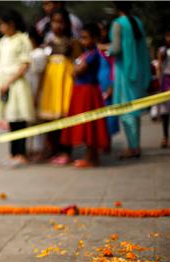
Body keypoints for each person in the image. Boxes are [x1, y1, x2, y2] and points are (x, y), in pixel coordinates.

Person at [0, 10, 35, 167]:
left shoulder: (22, 39)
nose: (1, 27)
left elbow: (25, 64)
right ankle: (13, 153)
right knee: (10, 120)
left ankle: (21, 153)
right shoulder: (2, 42)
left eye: (3, 24)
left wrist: (10, 81)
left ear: (11, 24)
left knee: (19, 120)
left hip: (16, 83)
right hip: (2, 82)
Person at [61, 23, 110, 168]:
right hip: (82, 91)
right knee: (87, 125)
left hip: (88, 92)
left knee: (89, 126)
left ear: (94, 38)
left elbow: (77, 71)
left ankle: (90, 158)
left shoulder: (93, 54)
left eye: (86, 38)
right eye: (81, 38)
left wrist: (74, 69)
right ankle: (91, 157)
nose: (83, 41)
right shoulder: (86, 54)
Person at [38, 8, 81, 165]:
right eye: (55, 22)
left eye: (61, 22)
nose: (58, 25)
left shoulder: (72, 41)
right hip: (51, 83)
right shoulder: (47, 43)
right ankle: (54, 150)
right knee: (51, 120)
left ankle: (66, 151)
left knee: (65, 118)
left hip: (66, 82)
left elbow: (78, 61)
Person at [110, 1, 150, 159]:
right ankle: (136, 146)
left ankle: (133, 148)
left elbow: (117, 49)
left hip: (124, 72)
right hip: (139, 71)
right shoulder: (137, 22)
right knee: (135, 110)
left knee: (127, 111)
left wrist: (107, 49)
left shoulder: (118, 24)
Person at [25, 27, 48, 160]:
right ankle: (29, 150)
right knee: (29, 121)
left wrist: (37, 94)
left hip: (36, 90)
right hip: (28, 90)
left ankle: (39, 150)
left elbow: (41, 75)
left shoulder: (39, 54)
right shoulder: (28, 53)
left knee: (38, 122)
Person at [96, 21, 120, 138]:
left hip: (108, 84)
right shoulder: (91, 49)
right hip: (96, 85)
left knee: (109, 115)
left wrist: (112, 85)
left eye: (104, 30)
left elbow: (114, 67)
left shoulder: (112, 49)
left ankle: (107, 142)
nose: (102, 33)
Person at [157, 28, 170, 148]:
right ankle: (165, 137)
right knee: (165, 112)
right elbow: (159, 67)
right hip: (165, 81)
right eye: (168, 36)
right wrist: (160, 83)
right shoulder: (162, 50)